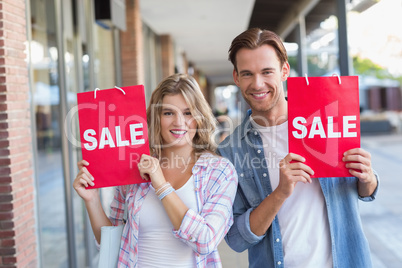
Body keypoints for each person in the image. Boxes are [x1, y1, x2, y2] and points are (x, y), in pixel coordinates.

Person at [217, 28, 379, 268]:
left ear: (284, 71)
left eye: (267, 71)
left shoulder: (325, 120)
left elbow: (364, 191)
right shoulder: (230, 150)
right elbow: (237, 239)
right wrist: (280, 192)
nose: (257, 83)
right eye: (248, 74)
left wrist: (367, 179)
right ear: (236, 77)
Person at [73, 73, 238, 267]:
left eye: (188, 112)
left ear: (199, 118)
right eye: (168, 113)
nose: (179, 122)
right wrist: (92, 200)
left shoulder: (220, 171)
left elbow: (206, 241)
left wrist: (161, 185)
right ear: (156, 118)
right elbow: (111, 242)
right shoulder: (134, 167)